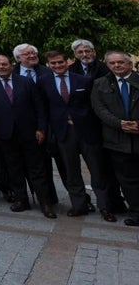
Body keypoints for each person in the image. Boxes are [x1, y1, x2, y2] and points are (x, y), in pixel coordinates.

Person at [0, 55, 56, 218]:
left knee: (37, 169)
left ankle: (45, 203)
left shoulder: (25, 81)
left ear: (11, 65)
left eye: (4, 64)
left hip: (29, 133)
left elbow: (39, 106)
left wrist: (41, 128)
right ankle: (21, 200)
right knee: (13, 169)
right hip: (5, 134)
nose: (1, 67)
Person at [38, 50, 106, 218]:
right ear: (48, 65)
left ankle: (106, 207)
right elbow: (43, 108)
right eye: (53, 63)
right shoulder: (43, 81)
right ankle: (79, 205)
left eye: (60, 62)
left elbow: (93, 106)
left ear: (67, 62)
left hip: (86, 131)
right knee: (71, 171)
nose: (57, 65)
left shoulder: (83, 80)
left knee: (97, 170)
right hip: (63, 132)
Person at [91, 51, 139, 226]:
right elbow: (99, 109)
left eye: (120, 62)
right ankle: (135, 212)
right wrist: (120, 124)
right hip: (117, 140)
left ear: (129, 64)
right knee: (127, 180)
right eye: (112, 63)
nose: (117, 65)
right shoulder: (100, 83)